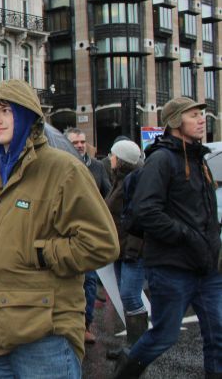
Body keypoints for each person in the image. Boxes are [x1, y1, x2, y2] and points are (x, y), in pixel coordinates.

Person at [0, 80, 118, 378]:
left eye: (5, 110)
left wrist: (42, 253)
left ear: (25, 115)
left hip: (44, 335)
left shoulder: (62, 169)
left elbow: (102, 242)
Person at [114, 98, 222, 378]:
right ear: (175, 122)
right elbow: (146, 210)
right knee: (164, 335)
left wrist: (211, 244)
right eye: (194, 115)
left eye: (202, 114)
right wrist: (188, 237)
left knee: (218, 334)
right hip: (172, 268)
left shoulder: (200, 159)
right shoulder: (161, 159)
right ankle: (123, 373)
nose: (202, 120)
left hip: (207, 268)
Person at [65, 126, 112, 344]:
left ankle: (85, 325)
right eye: (75, 143)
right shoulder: (61, 166)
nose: (80, 145)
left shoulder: (97, 167)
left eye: (82, 142)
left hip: (88, 232)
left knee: (90, 282)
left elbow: (107, 193)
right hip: (65, 233)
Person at [102, 139, 147, 360]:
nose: (109, 158)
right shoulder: (118, 180)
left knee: (130, 295)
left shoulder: (134, 182)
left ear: (120, 159)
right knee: (126, 295)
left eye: (112, 155)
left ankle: (138, 349)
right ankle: (133, 346)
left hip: (133, 251)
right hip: (120, 249)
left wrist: (132, 249)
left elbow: (137, 218)